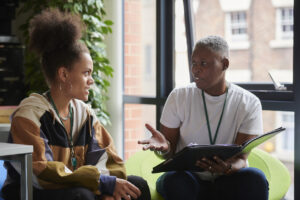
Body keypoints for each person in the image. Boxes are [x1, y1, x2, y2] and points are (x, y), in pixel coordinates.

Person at [1, 8, 150, 200]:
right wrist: (103, 184)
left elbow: (110, 160)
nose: (92, 80)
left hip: (74, 186)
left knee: (137, 185)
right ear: (63, 74)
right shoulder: (29, 115)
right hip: (30, 190)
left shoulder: (84, 114)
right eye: (86, 73)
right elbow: (41, 172)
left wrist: (109, 189)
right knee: (82, 196)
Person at [138, 35, 269, 200]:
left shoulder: (249, 103)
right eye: (193, 63)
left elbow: (241, 158)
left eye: (204, 63)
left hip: (227, 178)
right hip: (188, 178)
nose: (196, 69)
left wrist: (227, 167)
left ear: (225, 64)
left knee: (255, 179)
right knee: (175, 181)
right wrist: (165, 148)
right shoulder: (179, 96)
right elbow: (169, 154)